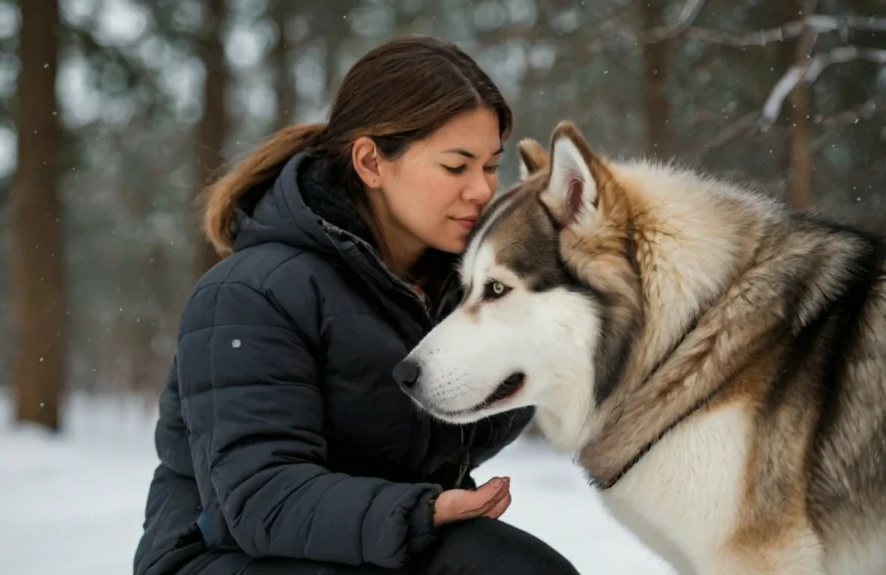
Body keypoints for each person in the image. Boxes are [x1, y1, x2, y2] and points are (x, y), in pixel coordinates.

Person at [133, 35, 581, 575]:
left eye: (490, 165)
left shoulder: (451, 290)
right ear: (371, 162)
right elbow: (258, 499)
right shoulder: (251, 293)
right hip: (227, 558)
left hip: (366, 548)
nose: (482, 191)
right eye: (456, 166)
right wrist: (421, 510)